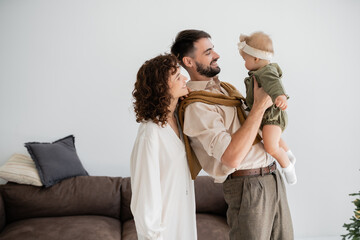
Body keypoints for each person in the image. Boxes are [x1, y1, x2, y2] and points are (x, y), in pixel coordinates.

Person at [171, 29, 294, 240]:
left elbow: (258, 128)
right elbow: (231, 157)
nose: (217, 55)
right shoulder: (197, 106)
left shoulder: (227, 90)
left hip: (273, 177)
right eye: (208, 52)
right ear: (189, 62)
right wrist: (260, 106)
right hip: (248, 186)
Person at [130, 54, 197, 240]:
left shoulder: (180, 121)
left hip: (184, 225)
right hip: (163, 233)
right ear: (162, 89)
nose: (185, 79)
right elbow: (144, 195)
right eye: (177, 77)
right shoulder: (150, 133)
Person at [237, 31, 297, 185]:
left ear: (256, 58)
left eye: (245, 59)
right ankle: (288, 154)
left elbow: (275, 84)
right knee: (269, 137)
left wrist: (280, 97)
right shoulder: (259, 72)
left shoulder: (266, 71)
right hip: (267, 116)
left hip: (272, 116)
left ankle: (288, 167)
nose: (244, 63)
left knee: (270, 147)